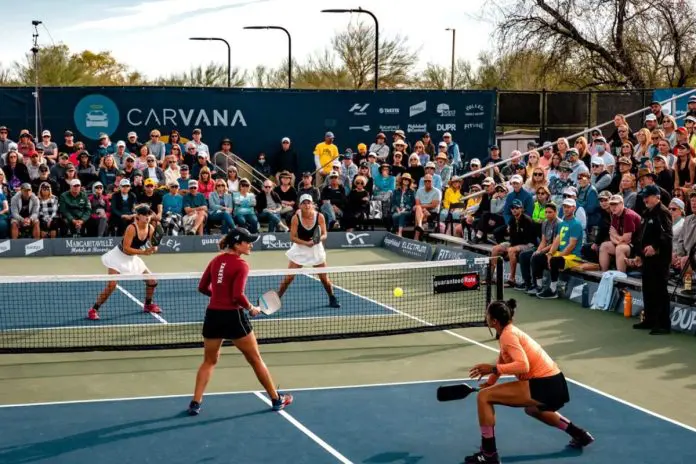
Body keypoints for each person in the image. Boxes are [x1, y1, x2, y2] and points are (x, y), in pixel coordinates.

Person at [465, 299, 594, 463]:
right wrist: (491, 381)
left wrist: (492, 369)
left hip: (543, 383)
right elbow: (503, 359)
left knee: (483, 397)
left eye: (487, 314)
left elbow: (522, 366)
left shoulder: (508, 336)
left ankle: (489, 453)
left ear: (494, 321)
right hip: (555, 383)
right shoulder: (509, 332)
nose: (486, 316)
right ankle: (579, 434)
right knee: (532, 410)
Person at [189, 227, 293, 415]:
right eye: (248, 241)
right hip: (233, 317)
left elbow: (203, 287)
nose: (251, 244)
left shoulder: (215, 261)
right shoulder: (241, 264)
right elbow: (237, 295)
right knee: (255, 360)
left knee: (209, 361)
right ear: (237, 244)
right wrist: (251, 308)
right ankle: (276, 399)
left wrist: (219, 297)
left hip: (212, 315)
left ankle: (195, 403)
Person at [88, 204, 161, 320]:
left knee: (152, 281)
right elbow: (126, 248)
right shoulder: (131, 228)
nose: (147, 217)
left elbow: (154, 243)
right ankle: (94, 309)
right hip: (118, 257)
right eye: (144, 214)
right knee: (112, 285)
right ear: (138, 216)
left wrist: (154, 248)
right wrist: (144, 252)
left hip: (132, 258)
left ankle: (148, 305)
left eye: (149, 214)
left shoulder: (150, 228)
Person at [277, 194, 340, 308]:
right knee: (289, 278)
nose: (306, 205)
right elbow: (292, 237)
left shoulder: (320, 216)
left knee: (324, 278)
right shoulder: (295, 218)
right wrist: (306, 243)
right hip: (300, 248)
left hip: (316, 249)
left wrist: (317, 240)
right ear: (300, 205)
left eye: (308, 203)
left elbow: (325, 234)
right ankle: (277, 298)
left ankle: (332, 297)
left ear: (312, 204)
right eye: (304, 203)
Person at [627, 184, 673, 335]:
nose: (645, 199)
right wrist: (639, 254)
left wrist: (655, 247)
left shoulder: (663, 212)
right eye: (644, 196)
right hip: (647, 259)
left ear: (657, 197)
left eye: (648, 196)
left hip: (660, 260)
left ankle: (663, 324)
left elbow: (667, 235)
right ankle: (650, 319)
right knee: (648, 289)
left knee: (660, 290)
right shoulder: (647, 213)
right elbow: (641, 236)